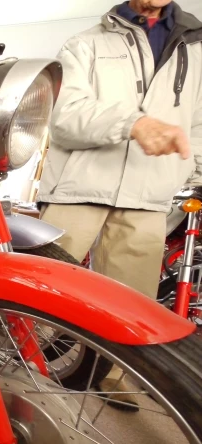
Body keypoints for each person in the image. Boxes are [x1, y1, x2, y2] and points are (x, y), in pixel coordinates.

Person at [37, 1, 202, 409]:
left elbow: (197, 126)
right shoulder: (85, 44)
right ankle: (12, 358)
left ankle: (111, 376)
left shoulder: (195, 53)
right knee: (42, 286)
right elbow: (65, 117)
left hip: (148, 195)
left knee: (133, 303)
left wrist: (190, 175)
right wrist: (133, 123)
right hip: (80, 186)